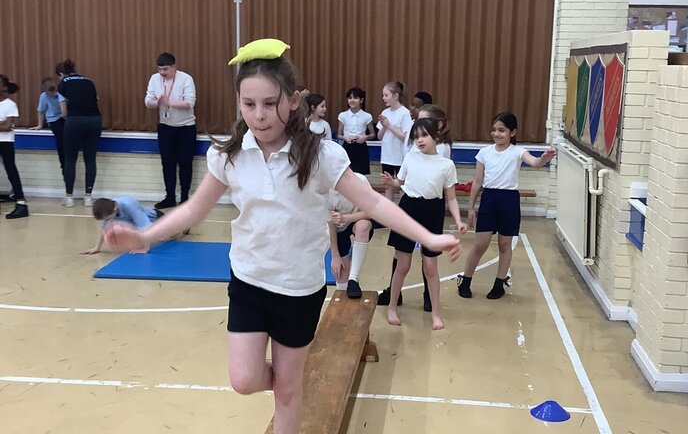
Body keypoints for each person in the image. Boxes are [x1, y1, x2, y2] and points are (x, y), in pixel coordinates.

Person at [102, 39, 461, 434]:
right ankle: (291, 377)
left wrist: (428, 235)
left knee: (289, 391)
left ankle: (292, 385)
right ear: (238, 102)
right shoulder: (229, 155)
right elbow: (193, 208)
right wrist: (144, 237)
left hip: (298, 290)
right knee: (243, 379)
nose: (259, 115)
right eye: (249, 104)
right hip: (249, 282)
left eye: (270, 103)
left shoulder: (321, 155)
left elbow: (374, 205)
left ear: (292, 101)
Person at [457, 112, 555, 300]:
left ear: (512, 132)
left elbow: (535, 162)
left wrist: (544, 158)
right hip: (489, 198)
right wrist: (470, 208)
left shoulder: (518, 151)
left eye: (502, 130)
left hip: (509, 200)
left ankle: (499, 283)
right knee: (480, 244)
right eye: (494, 130)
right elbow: (477, 182)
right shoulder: (484, 153)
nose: (497, 134)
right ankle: (466, 279)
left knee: (504, 244)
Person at [381, 118, 467, 330]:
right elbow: (400, 183)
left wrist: (458, 220)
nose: (419, 140)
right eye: (416, 136)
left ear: (435, 136)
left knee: (430, 267)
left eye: (424, 135)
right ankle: (392, 306)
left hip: (433, 211)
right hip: (409, 208)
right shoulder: (410, 157)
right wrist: (392, 183)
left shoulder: (447, 165)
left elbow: (451, 198)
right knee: (403, 265)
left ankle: (436, 313)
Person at [144, 52, 197, 209]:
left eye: (165, 69)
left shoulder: (186, 79)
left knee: (185, 163)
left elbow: (190, 102)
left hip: (186, 128)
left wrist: (169, 102)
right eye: (160, 69)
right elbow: (148, 101)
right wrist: (156, 102)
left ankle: (185, 197)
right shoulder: (155, 79)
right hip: (165, 127)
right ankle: (170, 197)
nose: (162, 73)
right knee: (167, 164)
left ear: (174, 67)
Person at [56, 59, 102, 208]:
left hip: (74, 120)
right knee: (90, 159)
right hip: (95, 120)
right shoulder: (89, 81)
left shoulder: (63, 83)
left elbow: (64, 112)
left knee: (70, 159)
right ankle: (88, 197)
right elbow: (96, 100)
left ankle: (69, 197)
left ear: (61, 74)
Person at [328, 172, 374, 299]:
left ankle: (354, 279)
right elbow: (330, 225)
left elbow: (371, 211)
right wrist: (335, 256)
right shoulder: (324, 189)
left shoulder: (360, 180)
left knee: (363, 226)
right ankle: (342, 298)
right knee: (341, 272)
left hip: (356, 219)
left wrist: (345, 218)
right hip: (337, 229)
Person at [81, 197, 164, 255]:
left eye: (106, 218)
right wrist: (96, 248)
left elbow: (145, 227)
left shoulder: (129, 205)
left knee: (169, 235)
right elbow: (104, 229)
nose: (106, 220)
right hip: (133, 223)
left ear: (114, 210)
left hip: (155, 218)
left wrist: (145, 249)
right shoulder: (108, 208)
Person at [377, 81, 413, 201]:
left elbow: (405, 137)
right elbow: (379, 136)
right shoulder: (385, 112)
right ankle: (389, 213)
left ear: (396, 96)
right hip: (386, 156)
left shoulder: (405, 113)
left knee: (402, 185)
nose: (383, 98)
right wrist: (383, 125)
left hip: (399, 156)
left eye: (386, 95)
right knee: (388, 185)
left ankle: (403, 212)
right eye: (383, 95)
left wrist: (389, 125)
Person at [0, 75, 29, 219]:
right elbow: (3, 125)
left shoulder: (10, 104)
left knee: (11, 170)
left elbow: (7, 127)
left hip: (5, 142)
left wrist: (4, 125)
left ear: (4, 87)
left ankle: (21, 204)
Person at [31, 77, 65, 176]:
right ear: (45, 90)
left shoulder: (61, 93)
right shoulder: (44, 96)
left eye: (54, 89)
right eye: (50, 91)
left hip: (65, 117)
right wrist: (40, 125)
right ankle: (63, 163)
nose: (53, 93)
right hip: (54, 119)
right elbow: (41, 111)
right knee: (60, 138)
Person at [337, 87, 374, 175]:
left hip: (361, 147)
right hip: (347, 147)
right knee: (346, 174)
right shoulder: (343, 115)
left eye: (355, 98)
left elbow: (373, 134)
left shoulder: (367, 116)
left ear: (361, 100)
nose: (352, 100)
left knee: (360, 175)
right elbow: (339, 134)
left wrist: (365, 137)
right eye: (350, 98)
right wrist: (344, 138)